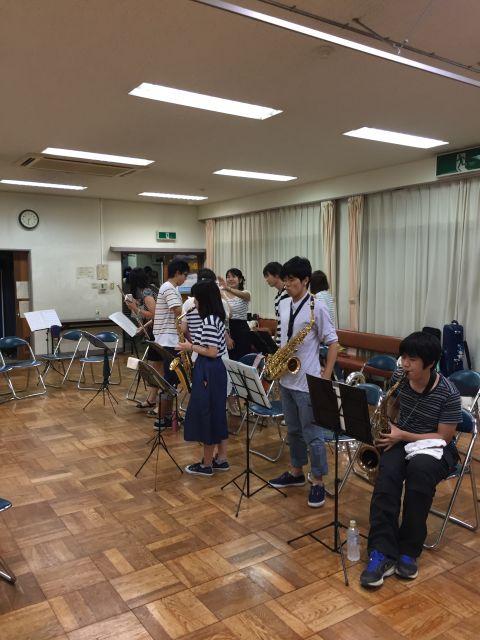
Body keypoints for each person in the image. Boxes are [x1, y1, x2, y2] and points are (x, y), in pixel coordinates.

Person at [360, 331, 461, 588]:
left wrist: (402, 434)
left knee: (419, 476)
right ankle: (380, 551)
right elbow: (394, 405)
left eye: (412, 359)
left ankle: (408, 550)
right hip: (402, 439)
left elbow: (444, 437)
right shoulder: (399, 377)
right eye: (403, 357)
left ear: (430, 363)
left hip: (435, 447)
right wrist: (387, 423)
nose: (404, 364)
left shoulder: (449, 393)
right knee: (387, 478)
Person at [269, 256, 338, 507]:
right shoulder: (284, 303)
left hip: (308, 382)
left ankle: (318, 481)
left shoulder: (317, 307)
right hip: (287, 379)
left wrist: (325, 377)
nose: (287, 285)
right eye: (285, 280)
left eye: (292, 280)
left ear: (306, 280)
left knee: (313, 434)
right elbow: (283, 338)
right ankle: (297, 471)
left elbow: (333, 343)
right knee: (294, 431)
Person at [175, 279, 229, 476]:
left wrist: (190, 347)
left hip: (209, 368)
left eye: (196, 298)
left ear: (204, 300)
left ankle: (206, 464)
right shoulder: (216, 318)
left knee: (207, 414)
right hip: (213, 369)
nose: (194, 302)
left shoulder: (209, 321)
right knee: (217, 413)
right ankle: (222, 458)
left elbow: (212, 351)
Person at [152, 258, 189, 428]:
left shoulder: (170, 288)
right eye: (185, 275)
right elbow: (178, 311)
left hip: (167, 339)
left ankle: (168, 416)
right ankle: (161, 419)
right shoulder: (169, 288)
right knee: (170, 381)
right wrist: (192, 306)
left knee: (171, 380)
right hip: (168, 341)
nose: (185, 279)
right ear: (177, 273)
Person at [124, 267, 162, 409]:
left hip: (159, 333)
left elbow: (156, 314)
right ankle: (152, 399)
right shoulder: (149, 289)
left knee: (157, 368)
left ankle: (160, 402)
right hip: (156, 331)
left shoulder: (146, 293)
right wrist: (143, 327)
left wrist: (135, 309)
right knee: (156, 367)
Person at [218, 268, 251, 361]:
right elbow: (226, 313)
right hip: (226, 329)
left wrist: (227, 289)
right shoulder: (221, 294)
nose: (230, 279)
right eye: (228, 277)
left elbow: (244, 296)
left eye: (234, 276)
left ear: (240, 280)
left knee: (243, 358)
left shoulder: (245, 293)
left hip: (241, 329)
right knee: (229, 359)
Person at [263, 261, 290, 345]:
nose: (266, 280)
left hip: (287, 341)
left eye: (267, 276)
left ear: (277, 274)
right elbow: (279, 322)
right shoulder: (277, 297)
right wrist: (274, 342)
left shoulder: (288, 292)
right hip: (279, 342)